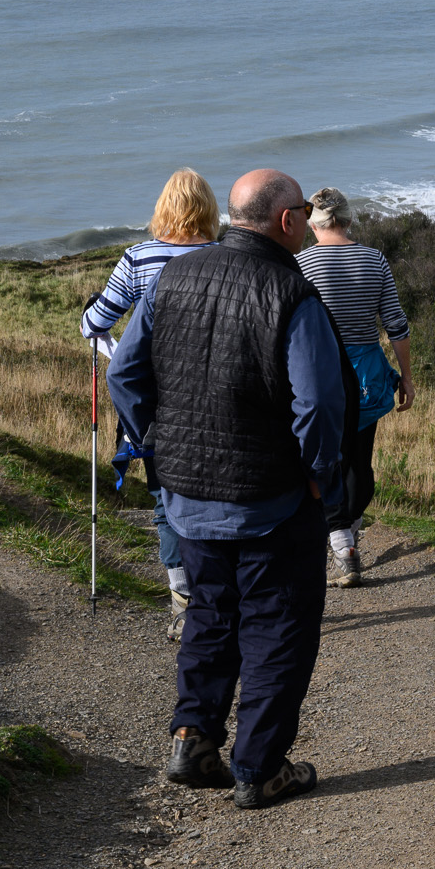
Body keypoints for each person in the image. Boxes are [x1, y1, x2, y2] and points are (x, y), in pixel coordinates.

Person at [108, 168, 352, 810]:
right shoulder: (291, 293)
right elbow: (320, 402)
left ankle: (194, 741)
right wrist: (320, 473)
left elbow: (124, 375)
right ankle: (260, 768)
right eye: (300, 208)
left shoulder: (172, 278)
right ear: (286, 221)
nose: (303, 216)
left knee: (209, 619)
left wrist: (157, 445)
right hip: (272, 501)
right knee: (278, 629)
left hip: (189, 498)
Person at [81, 168, 220, 640]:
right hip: (214, 396)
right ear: (209, 209)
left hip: (152, 402)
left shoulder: (139, 258)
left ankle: (182, 600)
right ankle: (220, 592)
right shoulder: (222, 256)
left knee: (165, 498)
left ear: (164, 208)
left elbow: (95, 323)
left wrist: (110, 341)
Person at [296, 187, 414, 588]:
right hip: (367, 373)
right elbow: (396, 324)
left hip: (320, 368)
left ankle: (341, 540)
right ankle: (350, 532)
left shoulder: (301, 263)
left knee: (323, 459)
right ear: (348, 220)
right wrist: (407, 377)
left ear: (313, 222)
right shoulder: (374, 259)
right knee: (359, 458)